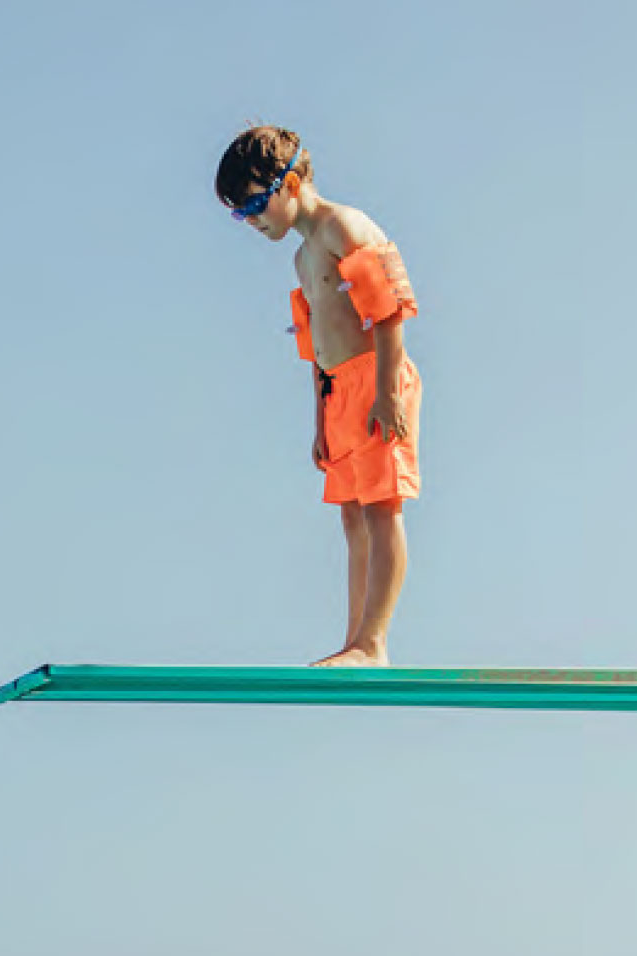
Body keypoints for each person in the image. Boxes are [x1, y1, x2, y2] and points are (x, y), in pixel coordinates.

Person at [215, 126, 422, 667]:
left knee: (381, 510)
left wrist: (387, 392)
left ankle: (373, 643)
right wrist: (320, 422)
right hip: (339, 394)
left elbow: (390, 307)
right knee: (352, 518)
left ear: (292, 181)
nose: (255, 221)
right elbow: (315, 349)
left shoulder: (342, 227)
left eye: (257, 204)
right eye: (242, 214)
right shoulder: (303, 260)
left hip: (377, 380)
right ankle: (353, 640)